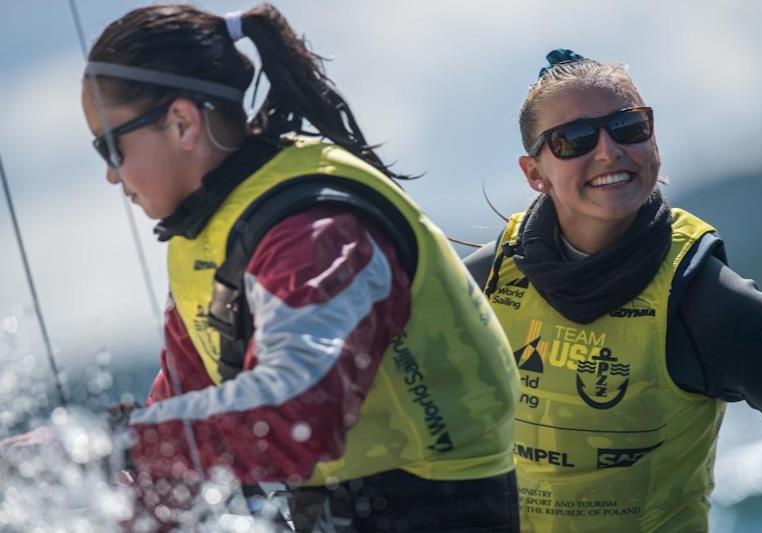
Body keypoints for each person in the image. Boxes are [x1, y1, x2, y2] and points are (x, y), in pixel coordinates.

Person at [74, 4, 521, 532]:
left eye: (111, 145)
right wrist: (77, 488)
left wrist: (108, 448)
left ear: (181, 122)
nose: (109, 173)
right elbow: (188, 427)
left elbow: (297, 416)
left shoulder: (315, 230)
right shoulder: (207, 234)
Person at [464, 49, 762, 532]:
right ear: (534, 173)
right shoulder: (485, 285)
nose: (607, 151)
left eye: (628, 126)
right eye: (573, 139)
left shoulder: (712, 304)